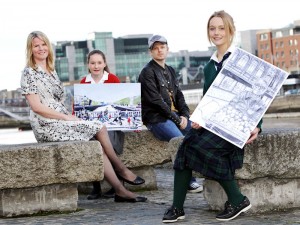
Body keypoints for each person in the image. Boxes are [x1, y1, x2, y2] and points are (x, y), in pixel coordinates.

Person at [20, 31, 147, 203]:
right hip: (46, 124)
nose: (41, 48)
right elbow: (36, 107)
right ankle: (122, 170)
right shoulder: (29, 73)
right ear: (31, 49)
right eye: (36, 45)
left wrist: (69, 116)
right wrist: (66, 118)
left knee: (97, 146)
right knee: (99, 127)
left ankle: (120, 190)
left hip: (60, 119)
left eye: (43, 44)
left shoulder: (51, 70)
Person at [162, 10, 262, 223]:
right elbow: (209, 100)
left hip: (236, 126)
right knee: (185, 147)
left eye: (221, 28)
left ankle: (237, 199)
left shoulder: (241, 60)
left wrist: (257, 126)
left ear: (230, 31)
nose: (216, 32)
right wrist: (200, 119)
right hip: (215, 125)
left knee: (200, 148)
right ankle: (177, 208)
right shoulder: (209, 66)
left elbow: (257, 96)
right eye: (212, 28)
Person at [138, 34, 202, 193]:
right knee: (180, 141)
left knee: (199, 134)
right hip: (156, 119)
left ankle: (210, 174)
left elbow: (179, 95)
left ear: (167, 49)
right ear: (150, 52)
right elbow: (156, 101)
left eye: (162, 47)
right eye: (155, 48)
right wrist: (176, 118)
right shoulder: (147, 72)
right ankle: (189, 181)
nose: (159, 51)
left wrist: (185, 116)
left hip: (174, 117)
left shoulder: (171, 70)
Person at [79, 49, 127, 200]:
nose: (96, 66)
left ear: (104, 63)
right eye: (92, 63)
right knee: (91, 142)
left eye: (99, 62)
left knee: (105, 142)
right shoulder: (84, 82)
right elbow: (80, 108)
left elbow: (122, 103)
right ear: (88, 65)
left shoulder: (112, 79)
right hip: (92, 125)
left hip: (112, 125)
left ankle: (117, 184)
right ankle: (96, 187)